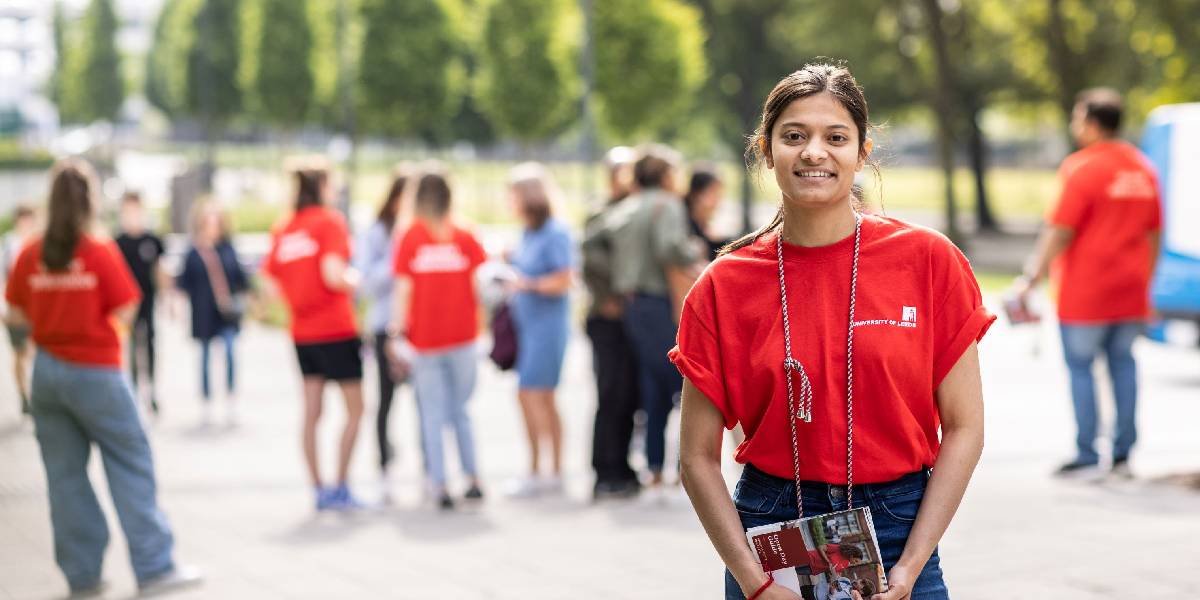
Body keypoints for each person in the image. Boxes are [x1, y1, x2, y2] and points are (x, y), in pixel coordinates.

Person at [673, 63, 993, 600]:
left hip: (898, 529)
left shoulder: (929, 261)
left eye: (835, 137)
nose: (814, 152)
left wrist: (912, 566)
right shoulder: (723, 285)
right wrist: (754, 584)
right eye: (793, 136)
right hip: (771, 533)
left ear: (862, 152)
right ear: (766, 149)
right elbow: (696, 457)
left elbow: (965, 427)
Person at [4, 159, 201, 596]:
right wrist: (103, 330)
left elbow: (14, 315)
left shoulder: (30, 253)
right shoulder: (97, 251)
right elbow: (128, 306)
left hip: (48, 374)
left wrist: (35, 339)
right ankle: (154, 566)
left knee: (64, 476)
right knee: (130, 462)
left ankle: (82, 575)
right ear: (90, 201)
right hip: (96, 371)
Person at [1013, 88, 1161, 480]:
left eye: (1078, 119)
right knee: (1124, 366)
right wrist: (1148, 284)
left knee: (1081, 368)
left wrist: (1033, 277)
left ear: (1093, 124)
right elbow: (1153, 235)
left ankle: (1086, 452)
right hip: (1131, 289)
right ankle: (1124, 455)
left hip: (1086, 291)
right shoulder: (1143, 169)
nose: (1075, 126)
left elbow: (1060, 230)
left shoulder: (1082, 167)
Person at [262, 160, 365, 511]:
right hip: (336, 328)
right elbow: (334, 274)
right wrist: (358, 281)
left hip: (303, 333)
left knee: (311, 412)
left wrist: (296, 297)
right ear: (322, 186)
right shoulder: (329, 222)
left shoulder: (285, 229)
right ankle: (341, 485)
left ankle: (318, 488)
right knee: (356, 409)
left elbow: (269, 283)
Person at [390, 170, 486, 510]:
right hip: (463, 336)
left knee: (431, 412)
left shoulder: (410, 237)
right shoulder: (464, 234)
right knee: (461, 410)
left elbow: (404, 291)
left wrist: (396, 332)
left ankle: (439, 483)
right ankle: (473, 478)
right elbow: (480, 288)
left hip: (426, 339)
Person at [608, 144, 701, 492]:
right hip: (662, 301)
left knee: (652, 385)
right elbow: (669, 248)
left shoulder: (627, 205)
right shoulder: (667, 204)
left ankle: (655, 466)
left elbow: (593, 243)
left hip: (632, 304)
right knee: (681, 384)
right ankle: (683, 468)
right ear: (665, 175)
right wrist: (692, 250)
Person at [503, 163, 575, 498]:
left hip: (548, 326)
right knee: (536, 395)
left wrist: (527, 283)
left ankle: (549, 469)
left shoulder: (555, 232)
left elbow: (564, 279)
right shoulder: (528, 232)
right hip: (529, 326)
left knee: (536, 394)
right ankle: (542, 468)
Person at [355, 168, 420, 500]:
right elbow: (367, 280)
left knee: (426, 399)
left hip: (420, 327)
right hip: (386, 325)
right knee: (386, 398)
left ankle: (429, 467)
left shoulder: (425, 231)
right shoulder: (378, 233)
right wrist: (398, 256)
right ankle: (383, 466)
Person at [582, 146, 643, 501]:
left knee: (629, 394)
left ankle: (622, 467)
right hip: (606, 317)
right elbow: (592, 262)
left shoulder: (635, 210)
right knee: (610, 393)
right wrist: (607, 297)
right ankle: (605, 470)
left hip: (629, 316)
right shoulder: (603, 214)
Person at [175, 202, 248, 427]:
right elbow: (183, 282)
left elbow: (240, 277)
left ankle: (230, 400)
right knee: (205, 358)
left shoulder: (228, 248)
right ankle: (206, 403)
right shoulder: (193, 251)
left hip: (225, 314)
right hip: (203, 313)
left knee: (228, 352)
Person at [115, 192, 166, 415]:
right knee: (133, 347)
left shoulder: (152, 240)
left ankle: (151, 390)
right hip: (127, 305)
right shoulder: (117, 243)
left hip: (148, 301)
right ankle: (133, 390)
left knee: (151, 344)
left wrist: (168, 297)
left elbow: (159, 270)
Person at [2, 204, 37, 415]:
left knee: (33, 352)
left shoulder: (39, 244)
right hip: (14, 309)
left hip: (35, 310)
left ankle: (32, 392)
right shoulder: (9, 244)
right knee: (19, 353)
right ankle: (23, 393)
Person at [684, 165, 732, 261]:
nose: (717, 200)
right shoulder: (684, 224)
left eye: (719, 193)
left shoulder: (706, 226)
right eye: (713, 193)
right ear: (696, 194)